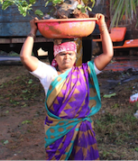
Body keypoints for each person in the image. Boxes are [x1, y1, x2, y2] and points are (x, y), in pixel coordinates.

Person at [20, 14, 113, 160]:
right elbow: (25, 58)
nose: (67, 57)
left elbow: (108, 54)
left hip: (82, 131)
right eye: (62, 54)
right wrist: (32, 31)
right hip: (58, 132)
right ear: (55, 57)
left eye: (70, 54)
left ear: (75, 56)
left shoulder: (85, 72)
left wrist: (102, 26)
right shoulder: (49, 75)